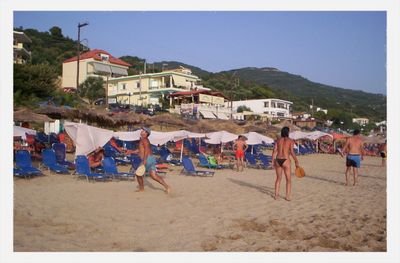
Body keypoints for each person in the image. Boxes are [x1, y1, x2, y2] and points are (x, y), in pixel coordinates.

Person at [136, 127, 170, 194]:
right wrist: (131, 151)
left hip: (147, 159)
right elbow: (141, 149)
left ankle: (141, 189)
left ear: (146, 133)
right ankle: (167, 187)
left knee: (138, 174)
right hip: (151, 158)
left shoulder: (144, 140)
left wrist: (144, 160)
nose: (141, 131)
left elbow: (146, 150)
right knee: (154, 176)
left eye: (143, 130)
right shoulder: (145, 140)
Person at [271, 126, 300, 201]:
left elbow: (274, 151)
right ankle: (287, 196)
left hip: (278, 159)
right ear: (288, 132)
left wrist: (272, 161)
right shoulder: (290, 141)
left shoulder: (278, 140)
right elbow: (292, 152)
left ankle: (276, 196)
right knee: (288, 180)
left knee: (278, 178)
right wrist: (296, 161)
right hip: (286, 160)